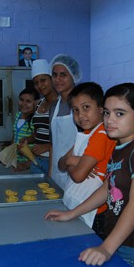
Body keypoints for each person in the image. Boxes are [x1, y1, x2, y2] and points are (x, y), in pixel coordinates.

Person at [45, 83, 134, 267]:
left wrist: (106, 248)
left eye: (120, 114)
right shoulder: (120, 146)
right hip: (117, 240)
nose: (109, 120)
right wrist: (72, 214)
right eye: (107, 113)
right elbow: (108, 187)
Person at [60, 82, 115, 238]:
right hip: (81, 205)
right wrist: (73, 161)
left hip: (95, 212)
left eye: (86, 107)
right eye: (75, 110)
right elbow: (60, 163)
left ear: (101, 109)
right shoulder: (86, 133)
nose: (80, 115)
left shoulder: (101, 134)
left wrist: (70, 161)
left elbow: (78, 176)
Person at [19, 59, 58, 174]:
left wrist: (47, 146)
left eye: (43, 80)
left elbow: (67, 137)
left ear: (51, 79)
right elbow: (39, 132)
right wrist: (28, 139)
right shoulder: (37, 104)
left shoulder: (62, 103)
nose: (40, 86)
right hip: (36, 160)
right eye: (36, 83)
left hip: (53, 160)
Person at [49, 54, 81, 190]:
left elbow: (88, 140)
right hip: (57, 172)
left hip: (77, 171)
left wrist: (66, 161)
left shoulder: (81, 105)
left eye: (63, 75)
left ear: (73, 76)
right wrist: (50, 173)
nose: (57, 79)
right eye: (54, 75)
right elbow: (53, 144)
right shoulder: (53, 106)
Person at [13, 87, 40, 171]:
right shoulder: (18, 116)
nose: (24, 103)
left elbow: (36, 136)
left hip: (30, 163)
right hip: (18, 162)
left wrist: (27, 164)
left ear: (36, 103)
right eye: (21, 100)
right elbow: (14, 136)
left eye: (28, 101)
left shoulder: (36, 119)